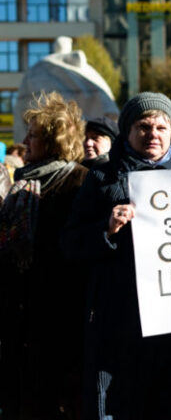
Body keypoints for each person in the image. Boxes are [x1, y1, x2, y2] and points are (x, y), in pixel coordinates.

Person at [63, 92, 171, 420]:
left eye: (161, 127)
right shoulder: (101, 177)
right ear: (127, 131)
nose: (153, 134)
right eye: (143, 126)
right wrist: (107, 228)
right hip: (119, 325)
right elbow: (70, 244)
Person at [0, 91, 89, 419]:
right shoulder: (21, 184)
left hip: (60, 317)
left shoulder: (80, 183)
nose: (25, 142)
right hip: (19, 315)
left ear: (54, 141)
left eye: (33, 135)